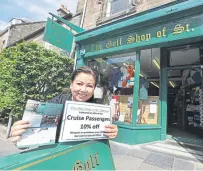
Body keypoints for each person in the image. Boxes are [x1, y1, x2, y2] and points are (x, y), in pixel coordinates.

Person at [10, 66, 118, 143]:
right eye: (79, 84)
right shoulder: (57, 103)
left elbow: (101, 138)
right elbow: (34, 127)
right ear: (71, 85)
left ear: (94, 89)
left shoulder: (98, 110)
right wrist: (20, 132)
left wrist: (110, 132)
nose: (83, 89)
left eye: (89, 86)